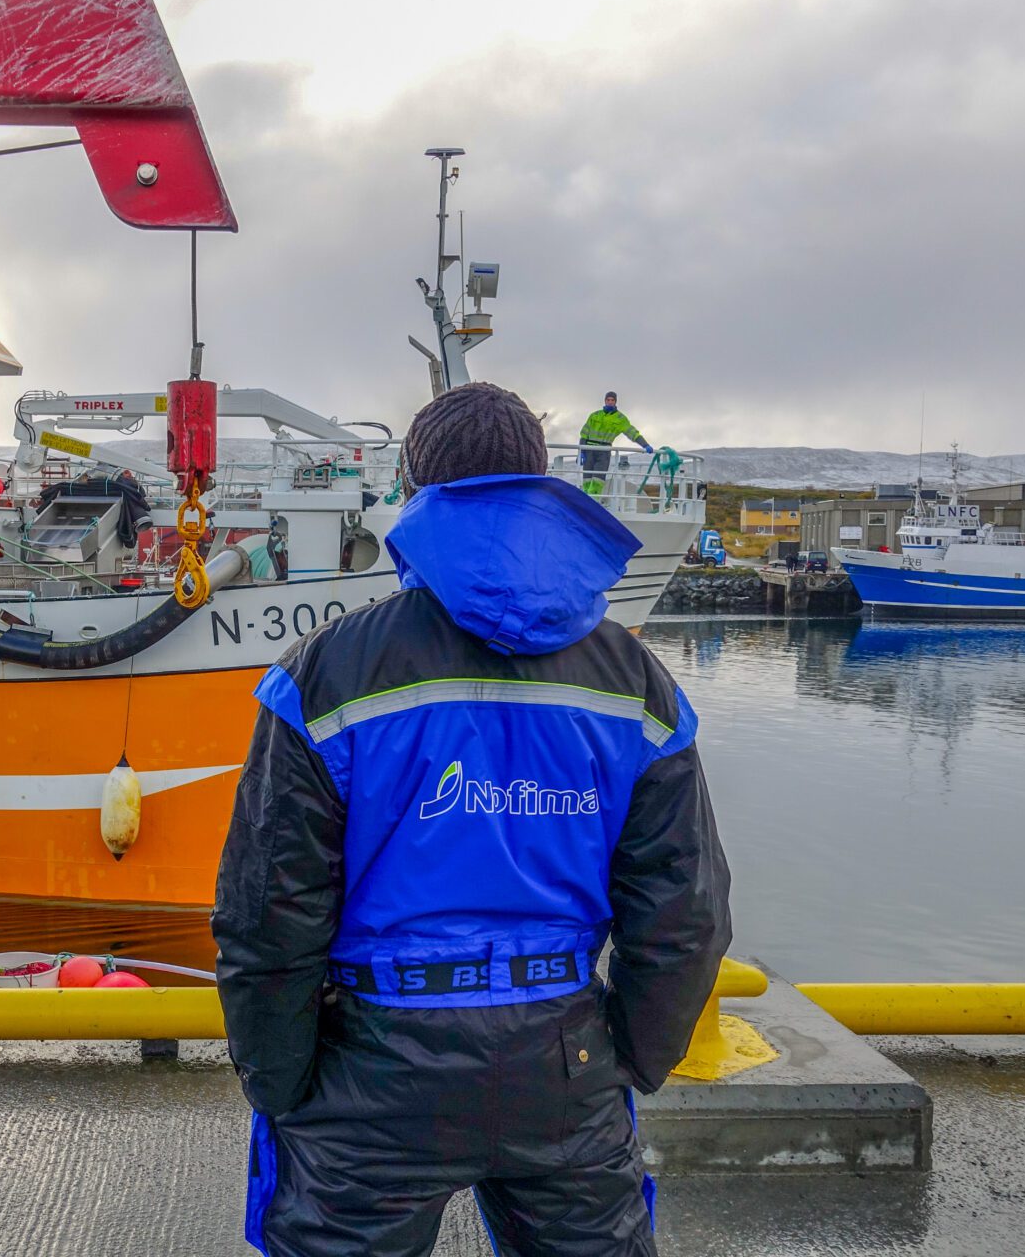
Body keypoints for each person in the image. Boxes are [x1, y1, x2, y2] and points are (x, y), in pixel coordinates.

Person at [213, 381, 730, 1257]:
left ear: (416, 488)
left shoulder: (327, 673)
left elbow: (268, 909)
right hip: (564, 1058)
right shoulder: (635, 682)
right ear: (539, 482)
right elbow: (685, 910)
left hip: (373, 1066)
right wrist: (630, 1059)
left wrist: (282, 1082)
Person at [579, 391, 654, 496]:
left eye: (612, 400)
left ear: (615, 402)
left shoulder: (620, 419)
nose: (610, 402)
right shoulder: (594, 415)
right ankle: (584, 502)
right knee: (586, 481)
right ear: (605, 401)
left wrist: (645, 445)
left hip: (604, 452)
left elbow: (632, 433)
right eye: (608, 400)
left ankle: (593, 501)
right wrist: (581, 451)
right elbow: (584, 434)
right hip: (589, 450)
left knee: (597, 481)